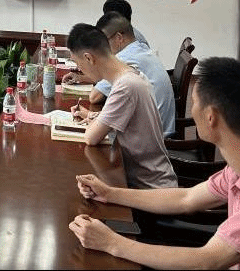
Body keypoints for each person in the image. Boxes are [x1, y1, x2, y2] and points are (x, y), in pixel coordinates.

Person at [69, 57, 240, 270]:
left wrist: (112, 243)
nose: (192, 109)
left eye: (195, 102)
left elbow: (207, 261)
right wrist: (110, 193)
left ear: (211, 117)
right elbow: (186, 198)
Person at [67, 23, 176, 189]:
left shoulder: (125, 86)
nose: (79, 69)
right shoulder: (132, 73)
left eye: (78, 63)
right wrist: (91, 115)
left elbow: (91, 137)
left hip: (150, 188)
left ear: (89, 58)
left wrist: (94, 121)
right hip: (145, 179)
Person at [85, 12, 175, 137]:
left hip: (152, 138)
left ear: (119, 38)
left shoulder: (125, 58)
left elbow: (94, 97)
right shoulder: (140, 48)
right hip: (160, 130)